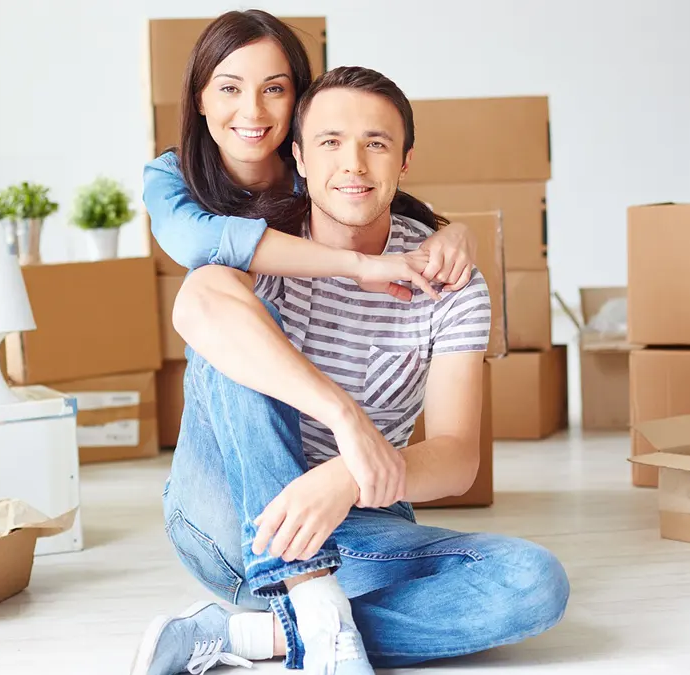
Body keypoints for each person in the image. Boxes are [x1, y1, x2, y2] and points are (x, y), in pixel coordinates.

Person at [129, 63, 570, 675]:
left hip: (358, 527)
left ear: (404, 161)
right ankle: (305, 590)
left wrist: (341, 480)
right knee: (233, 332)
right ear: (300, 159)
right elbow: (200, 298)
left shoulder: (448, 282)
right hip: (229, 523)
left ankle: (258, 635)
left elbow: (457, 459)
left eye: (376, 144)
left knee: (534, 582)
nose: (354, 165)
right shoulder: (265, 247)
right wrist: (346, 421)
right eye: (331, 143)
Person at [142, 9, 477, 302]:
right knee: (208, 283)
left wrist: (457, 232)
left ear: (298, 100)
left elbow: (388, 210)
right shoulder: (171, 175)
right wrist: (357, 265)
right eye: (230, 89)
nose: (252, 111)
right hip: (234, 355)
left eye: (274, 89)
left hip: (319, 350)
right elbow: (195, 241)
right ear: (199, 99)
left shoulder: (315, 170)